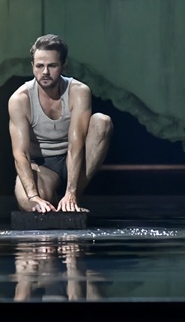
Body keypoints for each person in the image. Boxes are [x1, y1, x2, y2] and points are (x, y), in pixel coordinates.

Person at [8, 34, 112, 213]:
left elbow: (76, 143)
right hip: (44, 165)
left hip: (76, 159)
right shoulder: (20, 99)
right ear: (32, 66)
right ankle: (55, 198)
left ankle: (72, 200)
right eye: (40, 66)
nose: (45, 72)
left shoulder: (78, 91)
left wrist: (71, 191)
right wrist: (33, 196)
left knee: (102, 122)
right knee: (29, 204)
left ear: (64, 66)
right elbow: (20, 153)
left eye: (52, 65)